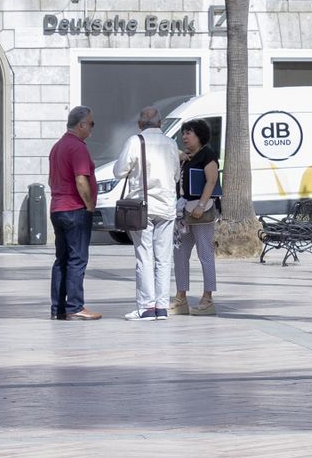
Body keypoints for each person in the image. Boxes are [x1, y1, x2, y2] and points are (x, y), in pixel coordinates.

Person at [115, 106, 181, 321]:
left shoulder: (135, 142)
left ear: (140, 124)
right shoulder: (171, 143)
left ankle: (146, 307)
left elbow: (119, 171)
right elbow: (176, 175)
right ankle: (162, 307)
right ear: (160, 123)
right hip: (167, 207)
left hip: (142, 208)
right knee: (164, 258)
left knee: (144, 256)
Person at [48, 106, 101, 321]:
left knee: (61, 259)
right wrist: (89, 205)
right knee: (77, 259)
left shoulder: (58, 146)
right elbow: (81, 180)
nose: (92, 128)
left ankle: (58, 308)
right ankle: (75, 306)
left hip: (58, 208)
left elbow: (51, 179)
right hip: (74, 209)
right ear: (81, 125)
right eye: (91, 124)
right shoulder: (78, 147)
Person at [172, 119, 220, 316]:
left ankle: (207, 299)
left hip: (202, 212)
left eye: (188, 133)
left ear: (199, 135)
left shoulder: (207, 155)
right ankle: (180, 299)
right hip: (183, 212)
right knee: (180, 254)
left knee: (205, 254)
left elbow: (212, 180)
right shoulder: (184, 157)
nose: (184, 137)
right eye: (183, 133)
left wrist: (201, 205)